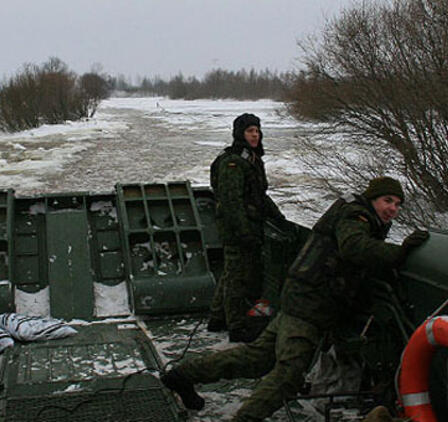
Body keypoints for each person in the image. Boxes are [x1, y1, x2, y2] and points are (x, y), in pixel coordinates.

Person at [162, 176, 429, 421]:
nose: (393, 208)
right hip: (309, 306)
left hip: (300, 297)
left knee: (258, 359)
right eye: (387, 201)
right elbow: (353, 246)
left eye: (397, 204)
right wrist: (400, 251)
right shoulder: (356, 215)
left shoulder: (360, 215)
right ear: (372, 199)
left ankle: (182, 375)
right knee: (288, 376)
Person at [208, 113, 286, 342]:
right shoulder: (233, 162)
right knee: (237, 277)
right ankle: (236, 326)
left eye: (257, 131)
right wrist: (244, 233)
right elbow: (232, 203)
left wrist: (278, 218)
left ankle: (217, 317)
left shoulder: (251, 158)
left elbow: (259, 195)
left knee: (232, 272)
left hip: (248, 224)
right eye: (250, 131)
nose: (255, 135)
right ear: (240, 134)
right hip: (236, 228)